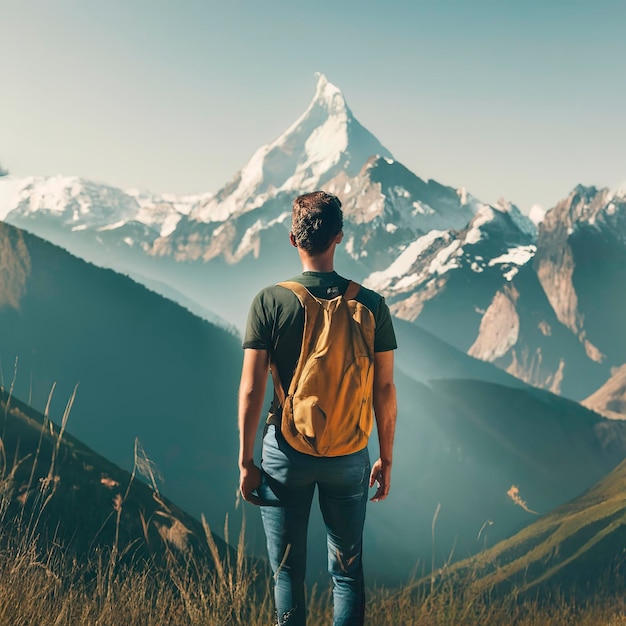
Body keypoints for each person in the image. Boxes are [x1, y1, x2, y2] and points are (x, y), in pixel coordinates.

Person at [238, 191, 397, 626]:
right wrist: (385, 455)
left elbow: (252, 389)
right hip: (348, 455)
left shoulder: (270, 302)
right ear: (339, 237)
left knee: (287, 569)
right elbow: (384, 388)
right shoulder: (372, 305)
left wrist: (247, 460)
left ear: (293, 239)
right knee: (346, 574)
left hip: (285, 454)